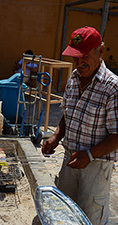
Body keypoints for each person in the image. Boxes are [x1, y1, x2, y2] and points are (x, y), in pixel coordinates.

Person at [42, 26, 118, 225]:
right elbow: (68, 115)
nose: (78, 63)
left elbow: (117, 136)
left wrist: (90, 155)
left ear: (100, 52)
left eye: (84, 56)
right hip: (71, 160)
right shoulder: (74, 79)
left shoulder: (112, 87)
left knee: (89, 217)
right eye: (75, 57)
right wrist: (55, 137)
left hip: (96, 165)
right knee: (64, 214)